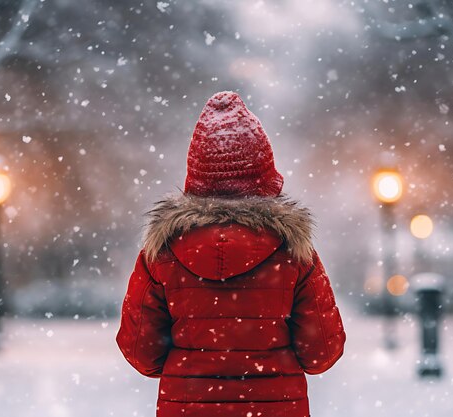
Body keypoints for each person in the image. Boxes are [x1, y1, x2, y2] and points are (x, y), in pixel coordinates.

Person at [116, 91, 346, 417]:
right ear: (265, 180)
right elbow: (322, 353)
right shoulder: (294, 255)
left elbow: (141, 353)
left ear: (196, 180)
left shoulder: (161, 256)